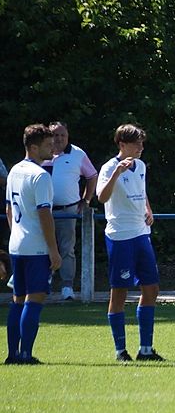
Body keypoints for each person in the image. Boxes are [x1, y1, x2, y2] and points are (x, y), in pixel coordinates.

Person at [96, 124, 163, 362]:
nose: (141, 147)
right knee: (119, 292)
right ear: (122, 144)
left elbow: (141, 191)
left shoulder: (141, 165)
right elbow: (101, 197)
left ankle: (146, 350)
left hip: (141, 233)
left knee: (151, 288)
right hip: (120, 236)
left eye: (142, 143)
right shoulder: (109, 167)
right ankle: (120, 351)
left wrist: (148, 209)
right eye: (136, 144)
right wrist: (116, 174)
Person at [5, 124, 60, 364]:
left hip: (17, 245)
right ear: (34, 147)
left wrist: (16, 233)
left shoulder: (14, 170)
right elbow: (45, 215)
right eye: (48, 144)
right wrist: (53, 250)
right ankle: (26, 354)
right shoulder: (40, 175)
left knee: (18, 300)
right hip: (36, 247)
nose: (53, 148)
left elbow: (9, 208)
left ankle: (12, 354)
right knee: (34, 299)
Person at [41, 122, 97, 300]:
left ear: (67, 136)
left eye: (62, 135)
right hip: (42, 210)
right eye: (55, 135)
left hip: (68, 210)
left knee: (67, 248)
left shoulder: (78, 154)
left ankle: (67, 287)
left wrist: (86, 200)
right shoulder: (41, 153)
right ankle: (43, 283)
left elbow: (92, 176)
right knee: (42, 247)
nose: (58, 138)